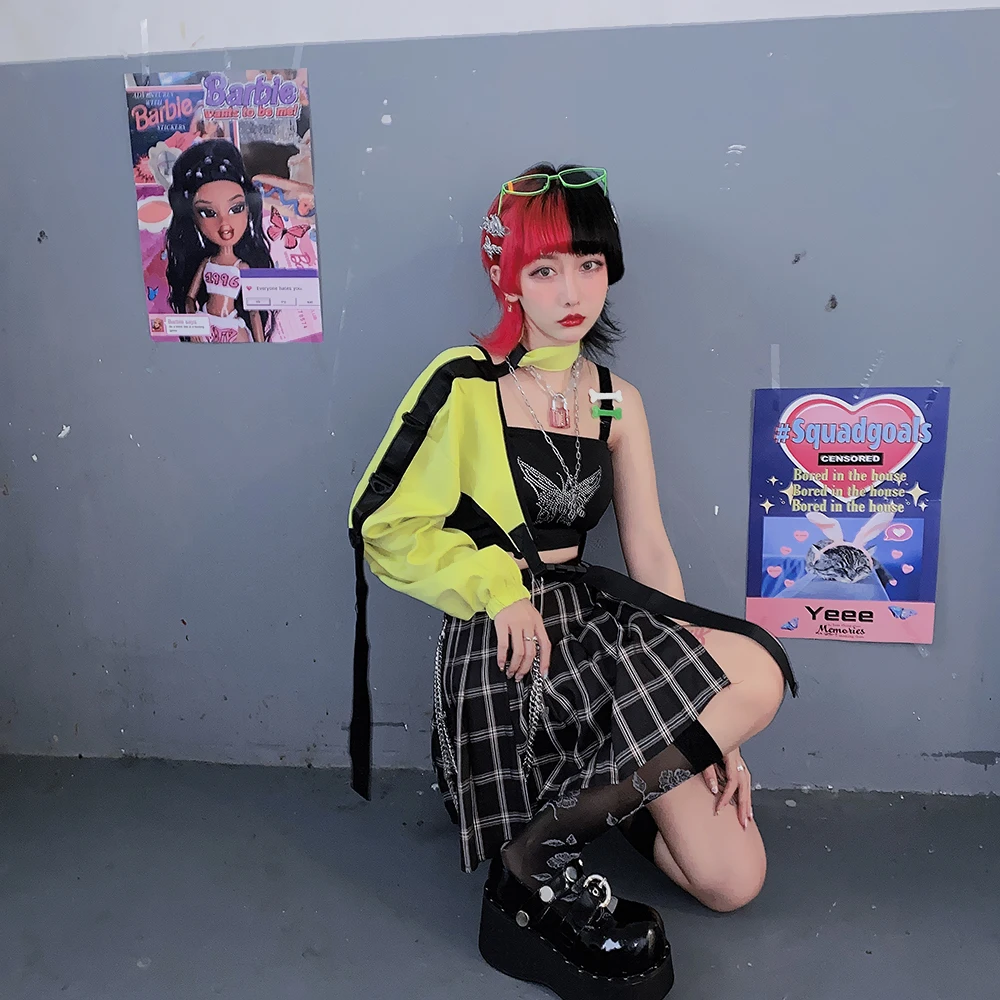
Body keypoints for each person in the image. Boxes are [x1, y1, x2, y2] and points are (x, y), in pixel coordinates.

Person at [348, 164, 797, 999]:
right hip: (508, 636)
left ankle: (584, 812)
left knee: (733, 880)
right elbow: (381, 523)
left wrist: (713, 724)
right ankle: (531, 863)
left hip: (596, 622)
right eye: (545, 268)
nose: (572, 292)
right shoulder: (467, 381)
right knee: (763, 675)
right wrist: (496, 587)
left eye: (589, 265)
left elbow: (650, 552)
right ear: (508, 277)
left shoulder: (614, 400)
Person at [165, 139, 275, 343]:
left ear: (249, 208)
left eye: (236, 208)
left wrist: (261, 346)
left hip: (232, 326)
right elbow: (190, 298)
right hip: (205, 322)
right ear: (193, 218)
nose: (225, 225)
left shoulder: (243, 267)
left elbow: (253, 312)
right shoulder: (206, 262)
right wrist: (194, 326)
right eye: (208, 212)